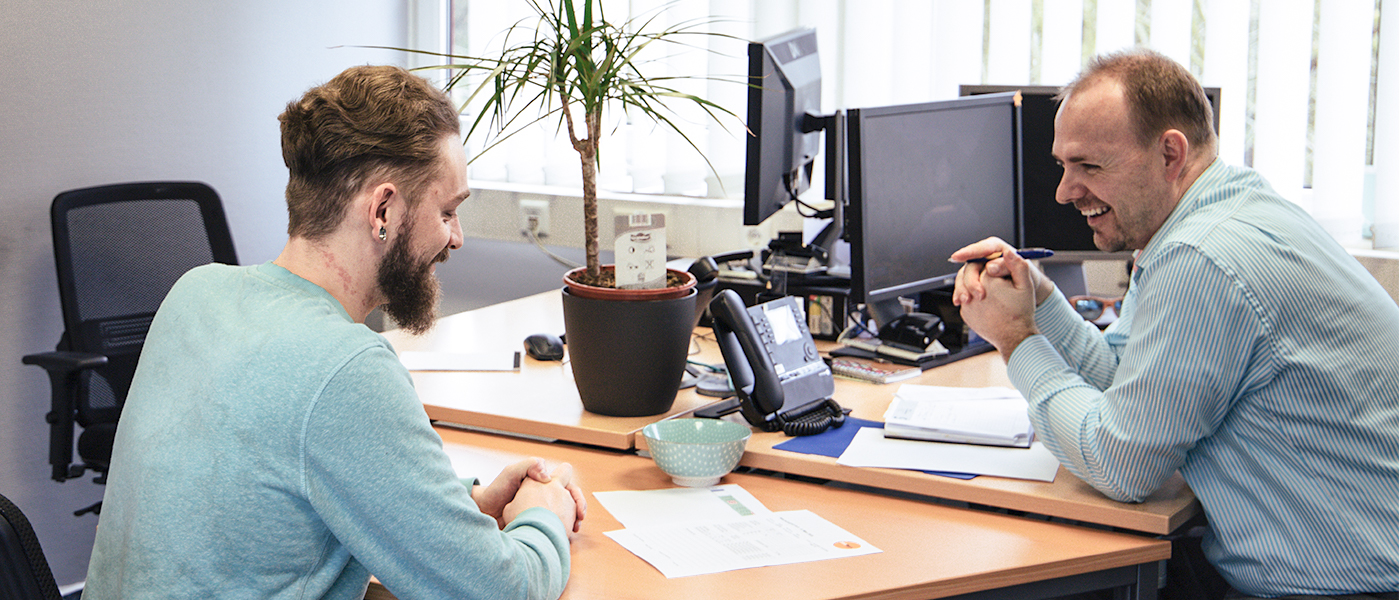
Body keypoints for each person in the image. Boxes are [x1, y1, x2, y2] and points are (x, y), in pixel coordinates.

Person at [84, 65, 585, 600]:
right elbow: (499, 591)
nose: (456, 238)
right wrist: (543, 516)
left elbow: (286, 490)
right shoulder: (345, 367)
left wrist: (469, 503)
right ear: (383, 210)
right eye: (447, 211)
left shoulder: (195, 293)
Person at [951, 49, 1398, 599]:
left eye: (1089, 166)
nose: (1065, 191)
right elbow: (1124, 380)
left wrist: (1016, 339)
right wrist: (1039, 299)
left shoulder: (1202, 257)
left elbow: (1121, 466)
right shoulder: (1228, 208)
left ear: (1169, 153)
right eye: (1063, 166)